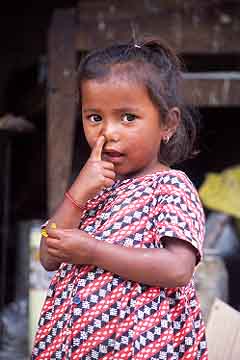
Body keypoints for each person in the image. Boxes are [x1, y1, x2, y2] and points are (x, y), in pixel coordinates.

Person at [32, 38, 208, 359]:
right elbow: (47, 253)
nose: (108, 132)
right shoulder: (94, 187)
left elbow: (178, 268)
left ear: (167, 123)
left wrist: (94, 251)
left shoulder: (170, 187)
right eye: (94, 117)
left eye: (127, 117)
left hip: (142, 349)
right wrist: (76, 194)